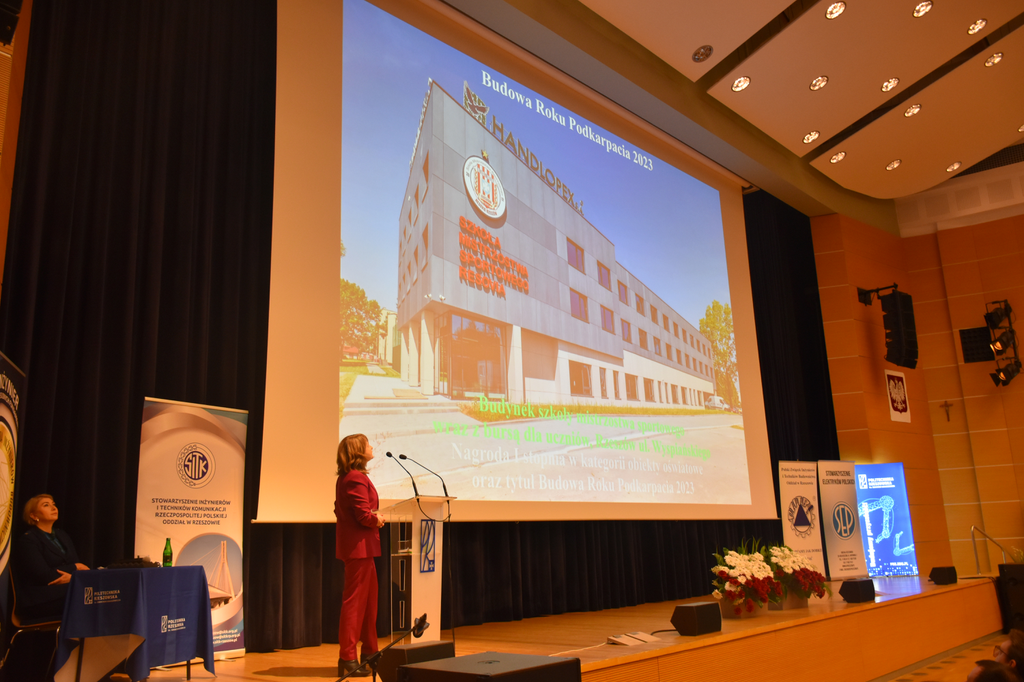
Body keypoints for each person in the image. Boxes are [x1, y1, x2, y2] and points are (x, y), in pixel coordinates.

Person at [335, 434, 385, 678]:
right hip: (358, 549)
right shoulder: (355, 478)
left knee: (369, 604)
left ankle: (369, 652)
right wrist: (378, 519)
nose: (372, 446)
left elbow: (340, 509)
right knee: (355, 604)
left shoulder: (350, 477)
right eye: (367, 444)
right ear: (358, 451)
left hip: (364, 549)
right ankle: (347, 656)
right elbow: (363, 515)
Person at [12, 494, 90, 622]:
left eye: (54, 504)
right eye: (46, 505)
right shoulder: (28, 540)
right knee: (85, 594)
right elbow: (45, 575)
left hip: (66, 589)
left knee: (95, 591)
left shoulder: (62, 535)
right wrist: (75, 568)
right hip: (41, 599)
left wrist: (73, 577)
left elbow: (77, 566)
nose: (54, 508)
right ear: (34, 516)